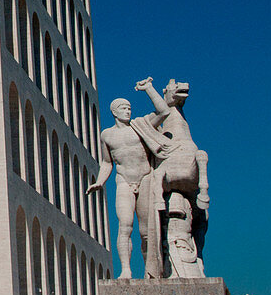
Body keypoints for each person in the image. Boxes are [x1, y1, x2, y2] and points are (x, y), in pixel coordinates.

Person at [129, 77, 209, 278]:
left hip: (188, 200)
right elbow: (163, 111)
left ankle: (198, 256)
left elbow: (165, 110)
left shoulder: (181, 129)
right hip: (163, 197)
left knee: (202, 218)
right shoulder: (152, 129)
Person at [87, 97, 154, 278]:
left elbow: (163, 112)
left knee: (146, 230)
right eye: (123, 108)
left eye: (129, 108)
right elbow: (107, 162)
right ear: (114, 112)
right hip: (123, 179)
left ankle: (150, 270)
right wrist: (100, 181)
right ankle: (126, 269)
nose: (128, 111)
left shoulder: (139, 127)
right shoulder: (107, 135)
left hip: (145, 177)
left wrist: (148, 89)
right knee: (125, 225)